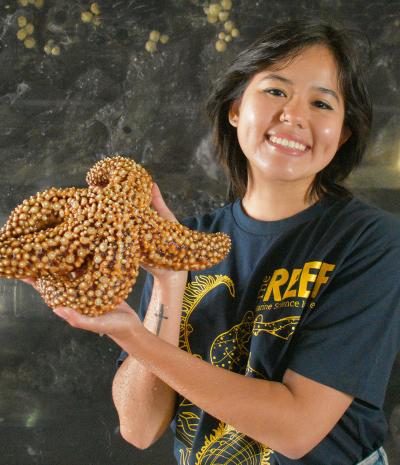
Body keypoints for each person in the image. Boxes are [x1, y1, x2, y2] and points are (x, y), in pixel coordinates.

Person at [30, 18, 400, 465]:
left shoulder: (370, 242)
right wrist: (169, 280)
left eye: (322, 103)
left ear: (341, 135)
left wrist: (132, 336)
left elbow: (298, 429)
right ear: (235, 108)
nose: (295, 116)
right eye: (276, 91)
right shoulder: (187, 241)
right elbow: (140, 427)